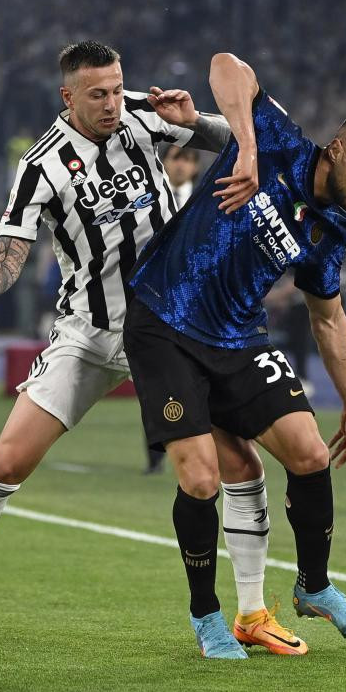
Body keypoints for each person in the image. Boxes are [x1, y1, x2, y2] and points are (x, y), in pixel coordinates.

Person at [0, 41, 306, 656]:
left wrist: (192, 122)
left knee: (240, 465)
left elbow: (233, 141)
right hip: (90, 332)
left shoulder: (142, 111)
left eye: (117, 89)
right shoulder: (41, 166)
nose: (113, 104)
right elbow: (12, 252)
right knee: (7, 462)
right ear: (68, 96)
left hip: (173, 324)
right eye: (98, 95)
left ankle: (251, 611)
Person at [124, 52, 346, 658]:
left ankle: (314, 587)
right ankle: (207, 616)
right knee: (201, 477)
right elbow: (226, 65)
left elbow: (329, 319)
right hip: (164, 322)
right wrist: (246, 149)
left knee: (307, 454)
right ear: (336, 149)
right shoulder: (279, 142)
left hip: (238, 338)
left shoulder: (328, 230)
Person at [142, 145, 202, 474]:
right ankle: (155, 456)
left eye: (189, 159)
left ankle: (203, 451)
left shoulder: (207, 198)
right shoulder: (147, 197)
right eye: (177, 157)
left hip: (196, 301)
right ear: (164, 162)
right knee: (154, 380)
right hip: (153, 300)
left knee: (198, 378)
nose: (181, 165)